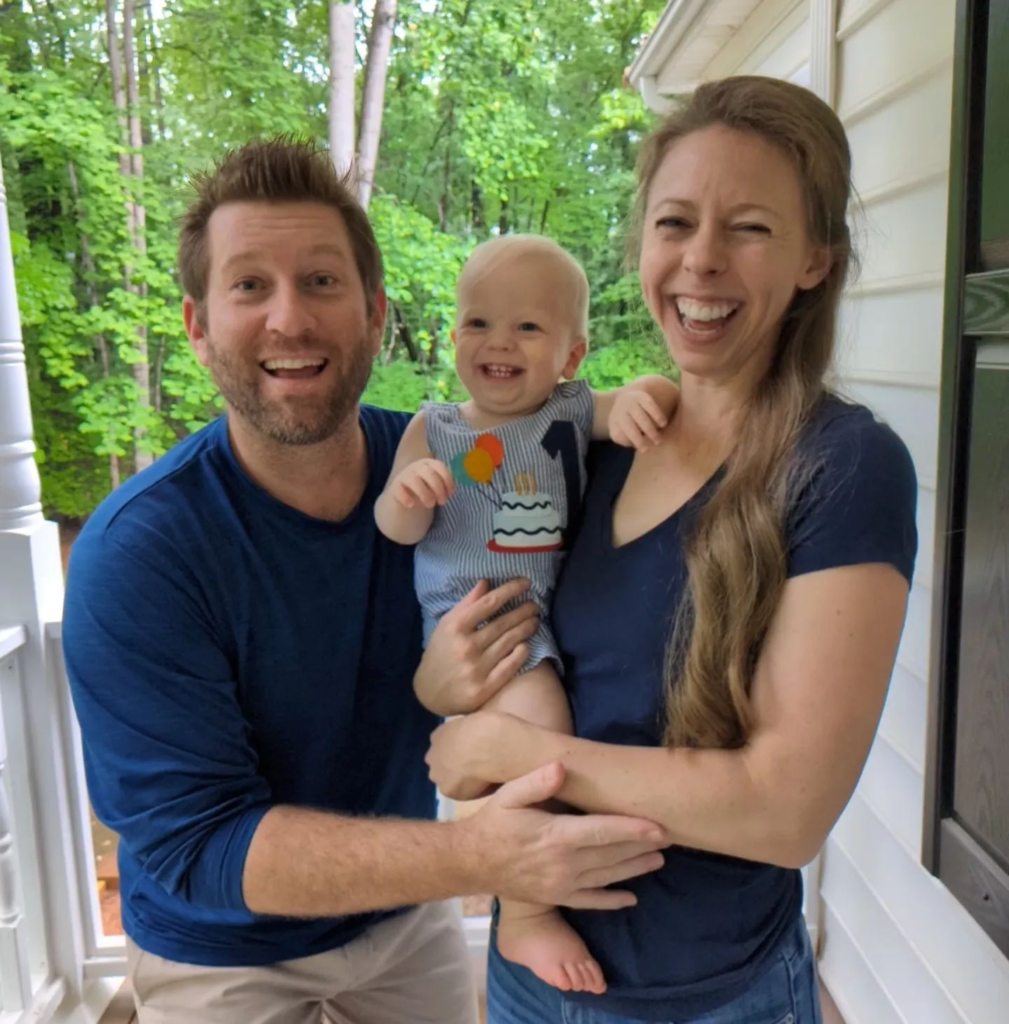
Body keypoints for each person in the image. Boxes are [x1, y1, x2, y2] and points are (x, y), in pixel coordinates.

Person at [61, 138, 670, 1024]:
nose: (288, 320)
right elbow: (199, 843)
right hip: (219, 950)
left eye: (320, 282)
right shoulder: (142, 551)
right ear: (196, 327)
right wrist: (489, 862)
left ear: (375, 313)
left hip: (400, 915)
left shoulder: (457, 465)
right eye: (248, 286)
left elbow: (597, 476)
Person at [422, 76, 919, 1024]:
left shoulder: (842, 467)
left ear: (816, 259)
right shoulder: (591, 449)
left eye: (750, 229)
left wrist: (519, 750)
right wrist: (449, 686)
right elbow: (491, 632)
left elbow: (785, 809)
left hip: (708, 997)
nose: (700, 262)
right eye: (675, 222)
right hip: (529, 974)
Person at [375, 233, 678, 996]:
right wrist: (407, 494)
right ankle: (526, 913)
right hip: (471, 620)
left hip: (538, 610)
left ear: (570, 357)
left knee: (518, 755)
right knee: (537, 729)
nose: (498, 342)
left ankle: (519, 886)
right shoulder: (436, 428)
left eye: (526, 328)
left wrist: (652, 395)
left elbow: (632, 405)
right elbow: (391, 526)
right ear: (452, 339)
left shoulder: (569, 414)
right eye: (478, 324)